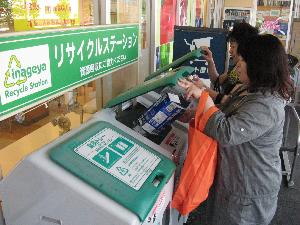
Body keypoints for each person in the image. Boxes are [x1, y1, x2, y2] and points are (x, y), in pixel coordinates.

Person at [178, 34, 293, 225]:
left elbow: (227, 133)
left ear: (259, 66)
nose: (237, 65)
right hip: (233, 178)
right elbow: (227, 107)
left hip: (249, 189)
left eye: (242, 60)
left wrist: (204, 98)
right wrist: (196, 110)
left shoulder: (267, 105)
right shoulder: (250, 89)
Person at [193, 22, 258, 104]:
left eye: (233, 47)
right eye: (230, 46)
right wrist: (210, 61)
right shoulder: (236, 67)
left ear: (244, 47)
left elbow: (230, 102)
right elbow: (217, 80)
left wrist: (203, 88)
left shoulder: (248, 72)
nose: (230, 51)